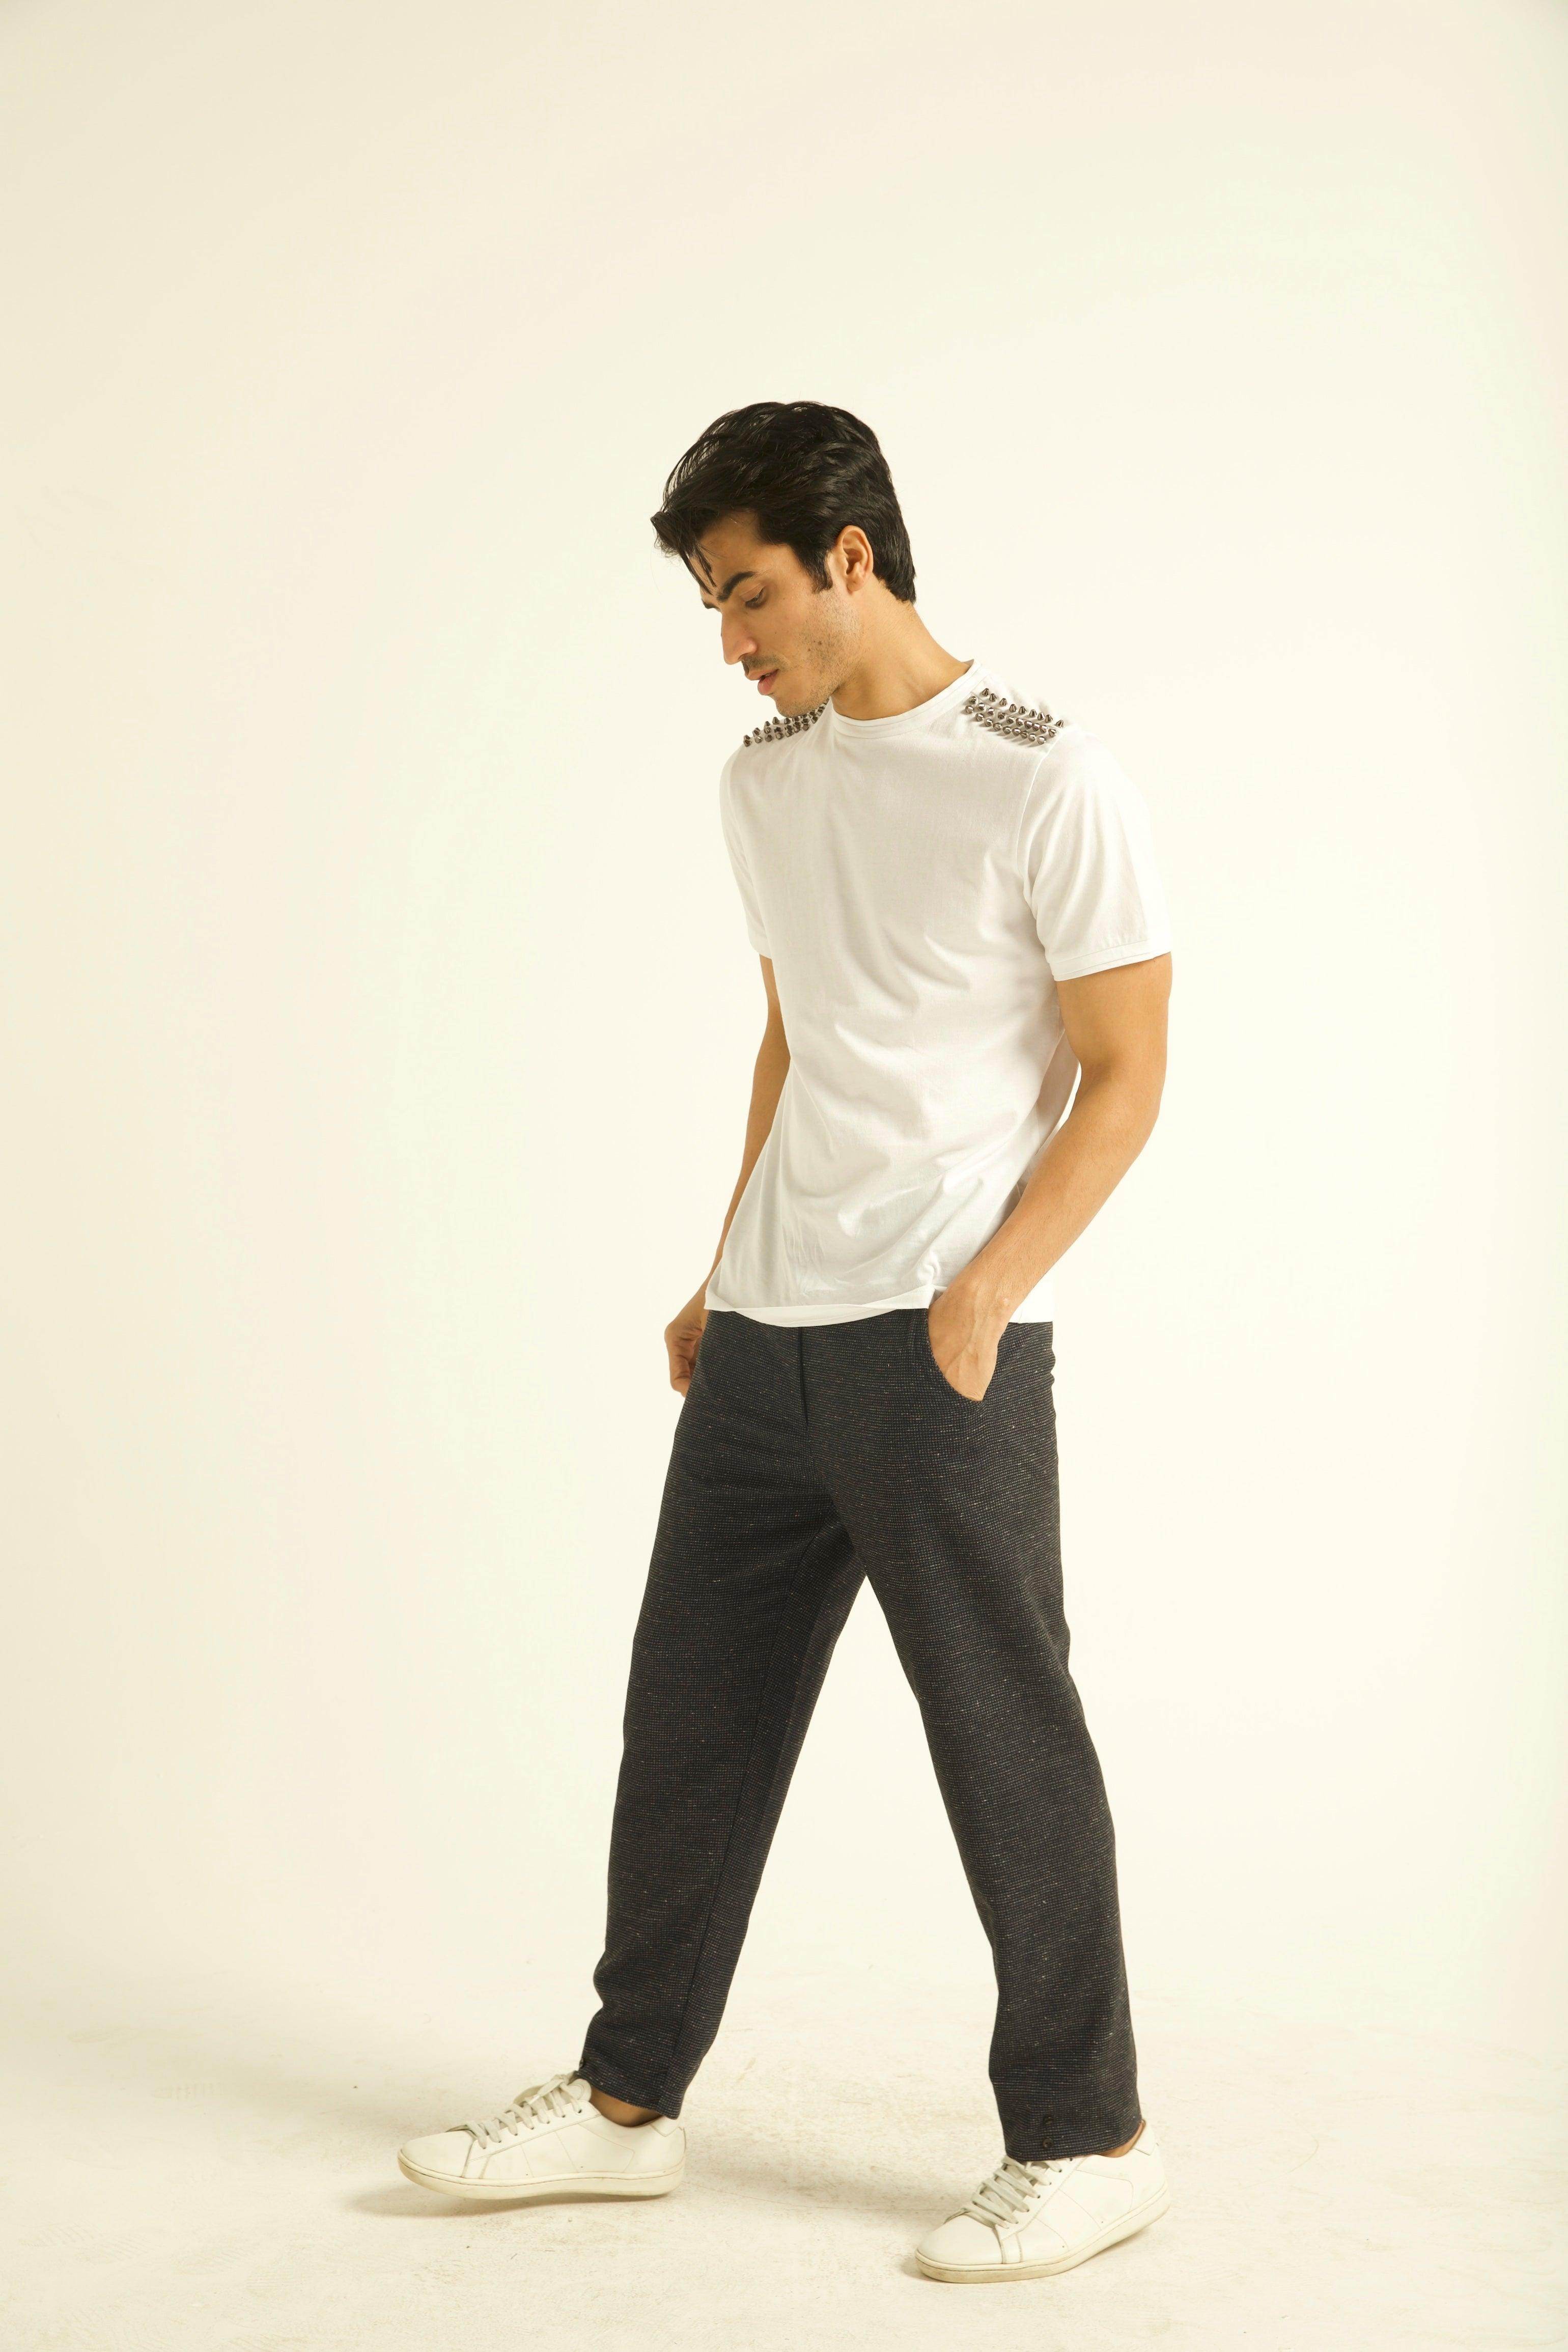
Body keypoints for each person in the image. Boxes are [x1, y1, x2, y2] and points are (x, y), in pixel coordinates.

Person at [397, 401, 1175, 2284]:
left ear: (851, 556)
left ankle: (1089, 2138)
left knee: (1003, 1734)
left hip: (938, 1340)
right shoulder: (762, 784)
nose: (730, 640)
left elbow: (1128, 1073)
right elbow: (796, 1037)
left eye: (747, 593)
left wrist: (983, 1292)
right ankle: (625, 2105)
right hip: (766, 1328)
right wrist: (717, 1264)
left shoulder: (1046, 775)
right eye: (709, 606)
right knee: (690, 1721)